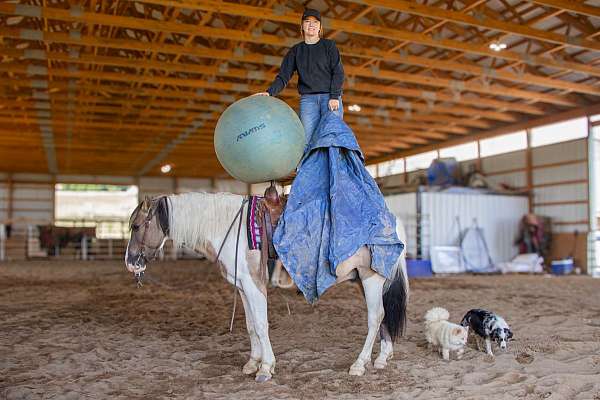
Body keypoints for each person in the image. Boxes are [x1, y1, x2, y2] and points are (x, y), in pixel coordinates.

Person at [254, 8, 345, 147]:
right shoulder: (296, 51)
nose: (311, 25)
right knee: (307, 140)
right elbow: (283, 76)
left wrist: (334, 96)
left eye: (315, 22)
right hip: (308, 100)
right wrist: (269, 92)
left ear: (320, 27)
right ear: (301, 26)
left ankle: (334, 168)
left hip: (330, 98)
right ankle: (307, 169)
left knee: (332, 137)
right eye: (307, 21)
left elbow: (338, 72)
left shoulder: (329, 46)